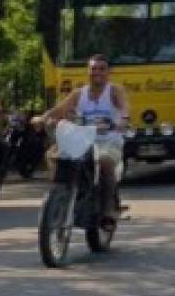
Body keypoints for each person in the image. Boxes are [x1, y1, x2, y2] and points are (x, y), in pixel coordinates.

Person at [32, 54, 129, 232]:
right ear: (88, 71)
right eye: (93, 69)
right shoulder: (79, 93)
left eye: (101, 69)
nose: (97, 72)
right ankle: (60, 191)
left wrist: (122, 120)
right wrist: (43, 118)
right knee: (55, 154)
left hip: (108, 141)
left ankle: (108, 209)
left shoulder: (114, 91)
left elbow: (124, 109)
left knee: (106, 161)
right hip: (83, 139)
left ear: (108, 72)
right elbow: (59, 109)